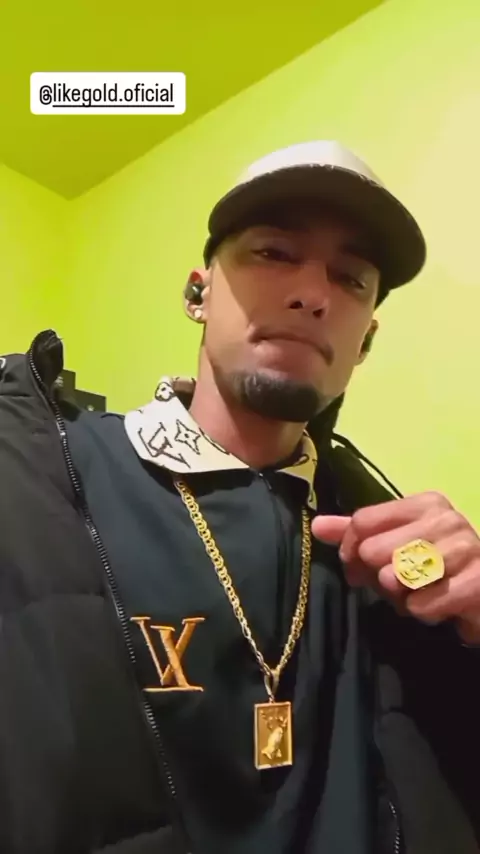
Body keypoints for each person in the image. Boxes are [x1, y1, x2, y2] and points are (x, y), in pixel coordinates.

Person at [1, 140, 479, 854]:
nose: (313, 294)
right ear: (198, 294)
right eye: (274, 253)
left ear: (365, 343)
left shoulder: (389, 551)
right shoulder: (35, 482)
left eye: (351, 279)